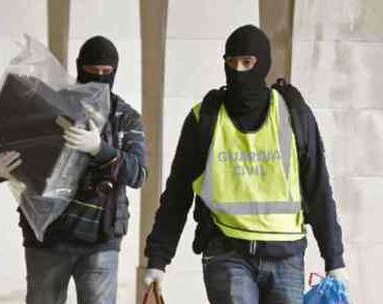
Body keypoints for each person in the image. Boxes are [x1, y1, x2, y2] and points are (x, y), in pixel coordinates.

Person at [144, 25, 349, 304]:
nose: (239, 71)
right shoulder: (204, 118)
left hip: (286, 256)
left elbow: (318, 188)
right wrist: (158, 258)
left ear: (262, 64)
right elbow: (178, 192)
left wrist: (334, 259)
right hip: (227, 252)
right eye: (232, 63)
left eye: (247, 63)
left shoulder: (294, 114)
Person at [0, 36, 147, 304]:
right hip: (48, 235)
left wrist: (100, 149)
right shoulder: (49, 107)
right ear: (79, 67)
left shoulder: (125, 117)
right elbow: (13, 148)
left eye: (107, 72)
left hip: (100, 238)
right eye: (92, 71)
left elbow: (138, 173)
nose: (100, 77)